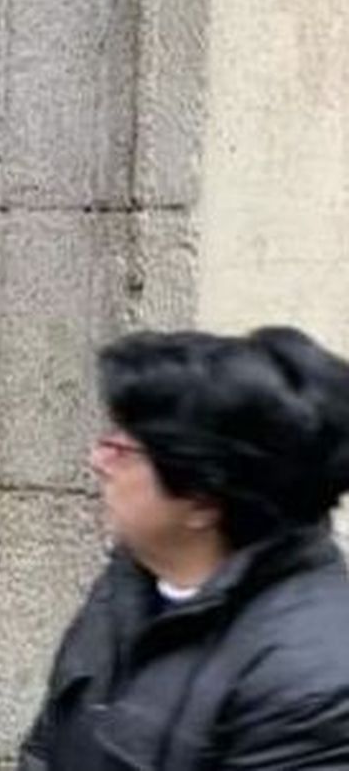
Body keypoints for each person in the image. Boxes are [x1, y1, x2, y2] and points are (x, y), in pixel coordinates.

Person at [20, 327, 349, 770]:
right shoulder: (130, 581)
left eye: (123, 450)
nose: (97, 462)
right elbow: (47, 750)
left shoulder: (312, 673)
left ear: (200, 499)